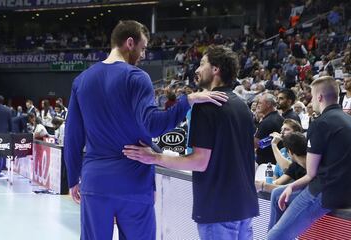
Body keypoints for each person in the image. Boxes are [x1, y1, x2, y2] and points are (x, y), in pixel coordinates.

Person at [64, 20, 228, 240]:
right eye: (142, 48)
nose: (142, 55)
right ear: (130, 43)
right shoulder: (136, 77)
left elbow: (73, 136)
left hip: (96, 181)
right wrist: (187, 101)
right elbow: (153, 125)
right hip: (134, 181)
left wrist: (73, 178)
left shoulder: (81, 81)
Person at [124, 45, 259, 240]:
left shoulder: (205, 107)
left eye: (202, 64)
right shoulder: (243, 106)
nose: (196, 69)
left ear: (215, 69)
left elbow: (199, 161)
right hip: (245, 206)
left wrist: (153, 157)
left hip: (218, 209)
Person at [267, 76, 351, 239]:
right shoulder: (348, 120)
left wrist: (291, 186)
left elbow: (311, 173)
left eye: (312, 97)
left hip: (324, 193)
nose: (311, 101)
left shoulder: (320, 124)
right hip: (345, 191)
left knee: (274, 237)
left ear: (319, 97)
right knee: (277, 194)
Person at [254, 93, 284, 165]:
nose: (257, 105)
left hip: (266, 162)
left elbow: (256, 144)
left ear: (268, 104)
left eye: (260, 103)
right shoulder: (280, 118)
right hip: (277, 159)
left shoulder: (267, 122)